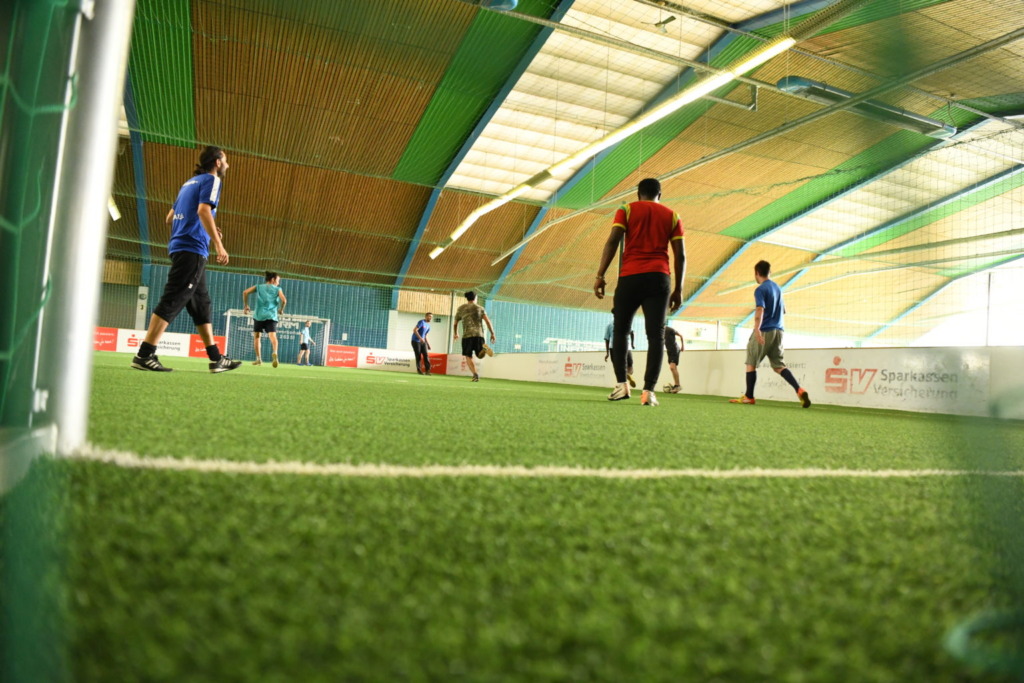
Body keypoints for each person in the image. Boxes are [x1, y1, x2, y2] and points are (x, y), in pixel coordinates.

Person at [131, 146, 241, 373]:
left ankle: (216, 359)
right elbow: (203, 211)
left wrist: (208, 229)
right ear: (217, 163)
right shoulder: (212, 180)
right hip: (192, 249)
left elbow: (170, 218)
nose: (228, 165)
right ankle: (144, 354)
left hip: (181, 246)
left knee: (201, 305)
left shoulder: (188, 184)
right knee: (173, 298)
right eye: (225, 161)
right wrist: (218, 244)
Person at [594, 177, 685, 407]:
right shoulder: (673, 216)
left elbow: (612, 241)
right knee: (656, 335)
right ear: (660, 195)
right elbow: (680, 255)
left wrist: (600, 275)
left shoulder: (626, 210)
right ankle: (648, 392)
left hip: (630, 277)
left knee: (621, 331)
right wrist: (678, 289)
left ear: (638, 194)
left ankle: (622, 385)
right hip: (659, 278)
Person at [729, 260, 811, 408]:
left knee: (751, 362)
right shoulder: (778, 288)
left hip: (765, 330)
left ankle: (749, 396)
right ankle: (799, 389)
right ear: (769, 272)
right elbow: (784, 311)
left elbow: (760, 309)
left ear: (757, 273)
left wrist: (757, 329)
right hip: (779, 331)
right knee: (779, 366)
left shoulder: (760, 289)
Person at [242, 272, 287, 368]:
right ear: (273, 279)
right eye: (278, 280)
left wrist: (246, 306)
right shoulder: (278, 289)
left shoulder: (259, 286)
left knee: (257, 336)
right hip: (271, 316)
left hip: (259, 315)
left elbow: (245, 292)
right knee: (273, 336)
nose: (278, 283)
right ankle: (275, 352)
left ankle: (258, 359)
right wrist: (281, 309)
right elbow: (284, 300)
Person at [453, 291, 495, 382]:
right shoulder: (480, 308)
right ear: (475, 298)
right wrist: (492, 333)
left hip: (467, 336)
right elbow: (488, 321)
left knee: (468, 356)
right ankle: (484, 349)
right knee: (480, 356)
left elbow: (455, 323)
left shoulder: (461, 308)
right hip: (479, 335)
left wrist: (456, 333)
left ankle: (475, 374)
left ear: (467, 298)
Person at [603, 309, 635, 388]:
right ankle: (628, 374)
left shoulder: (609, 325)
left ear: (613, 315)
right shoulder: (626, 322)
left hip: (614, 347)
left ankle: (621, 383)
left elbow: (607, 339)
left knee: (617, 367)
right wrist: (632, 344)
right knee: (630, 366)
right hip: (626, 346)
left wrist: (607, 353)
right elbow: (632, 333)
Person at [663, 325, 685, 394]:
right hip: (669, 350)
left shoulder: (670, 329)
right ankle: (676, 386)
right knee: (673, 368)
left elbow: (681, 335)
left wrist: (682, 346)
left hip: (674, 349)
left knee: (672, 367)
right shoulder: (660, 331)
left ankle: (677, 385)